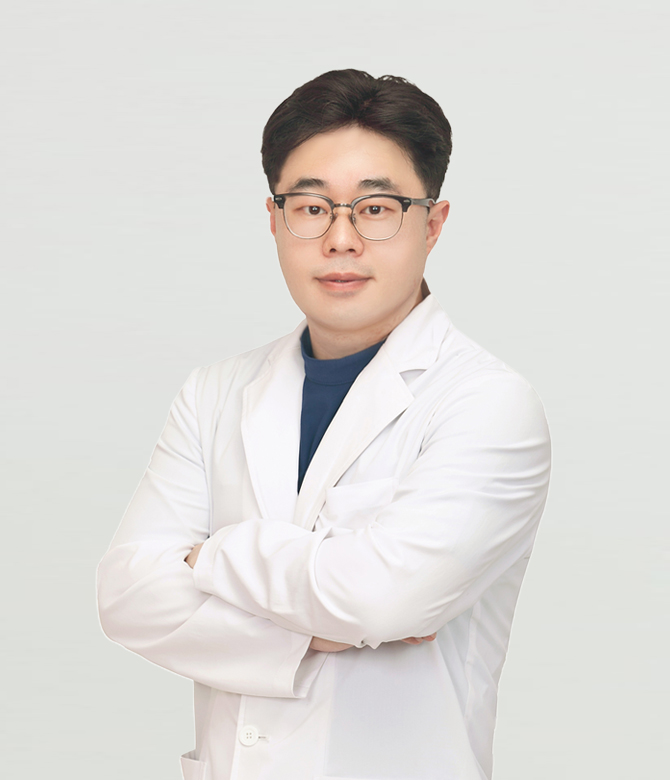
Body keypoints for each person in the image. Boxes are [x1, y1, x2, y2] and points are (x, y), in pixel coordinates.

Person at [97, 69, 551, 780]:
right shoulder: (214, 393)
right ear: (274, 219)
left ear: (432, 224)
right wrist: (316, 632)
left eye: (377, 208)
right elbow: (128, 598)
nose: (341, 239)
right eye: (311, 207)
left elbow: (380, 598)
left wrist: (209, 556)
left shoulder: (486, 403)